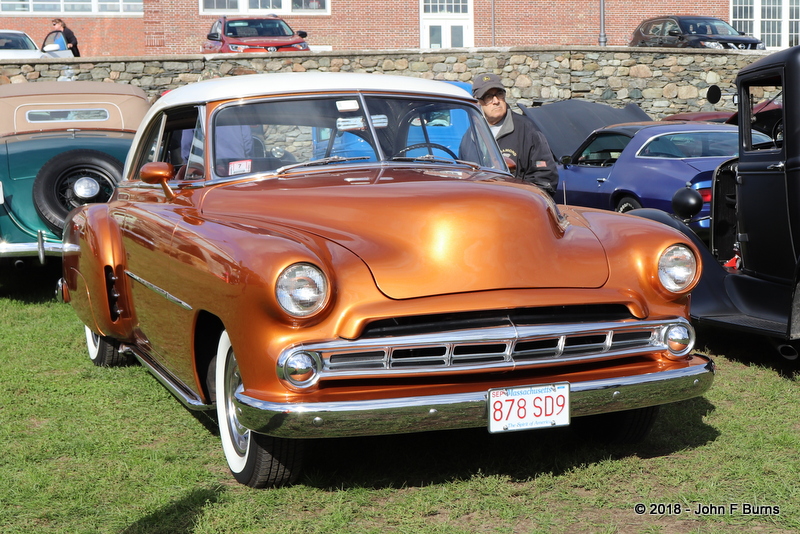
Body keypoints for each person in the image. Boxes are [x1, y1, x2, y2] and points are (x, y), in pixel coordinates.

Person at [472, 73, 558, 196]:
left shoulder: (527, 129)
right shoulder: (471, 135)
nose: (496, 101)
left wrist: (521, 199)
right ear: (478, 102)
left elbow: (545, 177)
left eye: (499, 94)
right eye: (488, 97)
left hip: (515, 205)